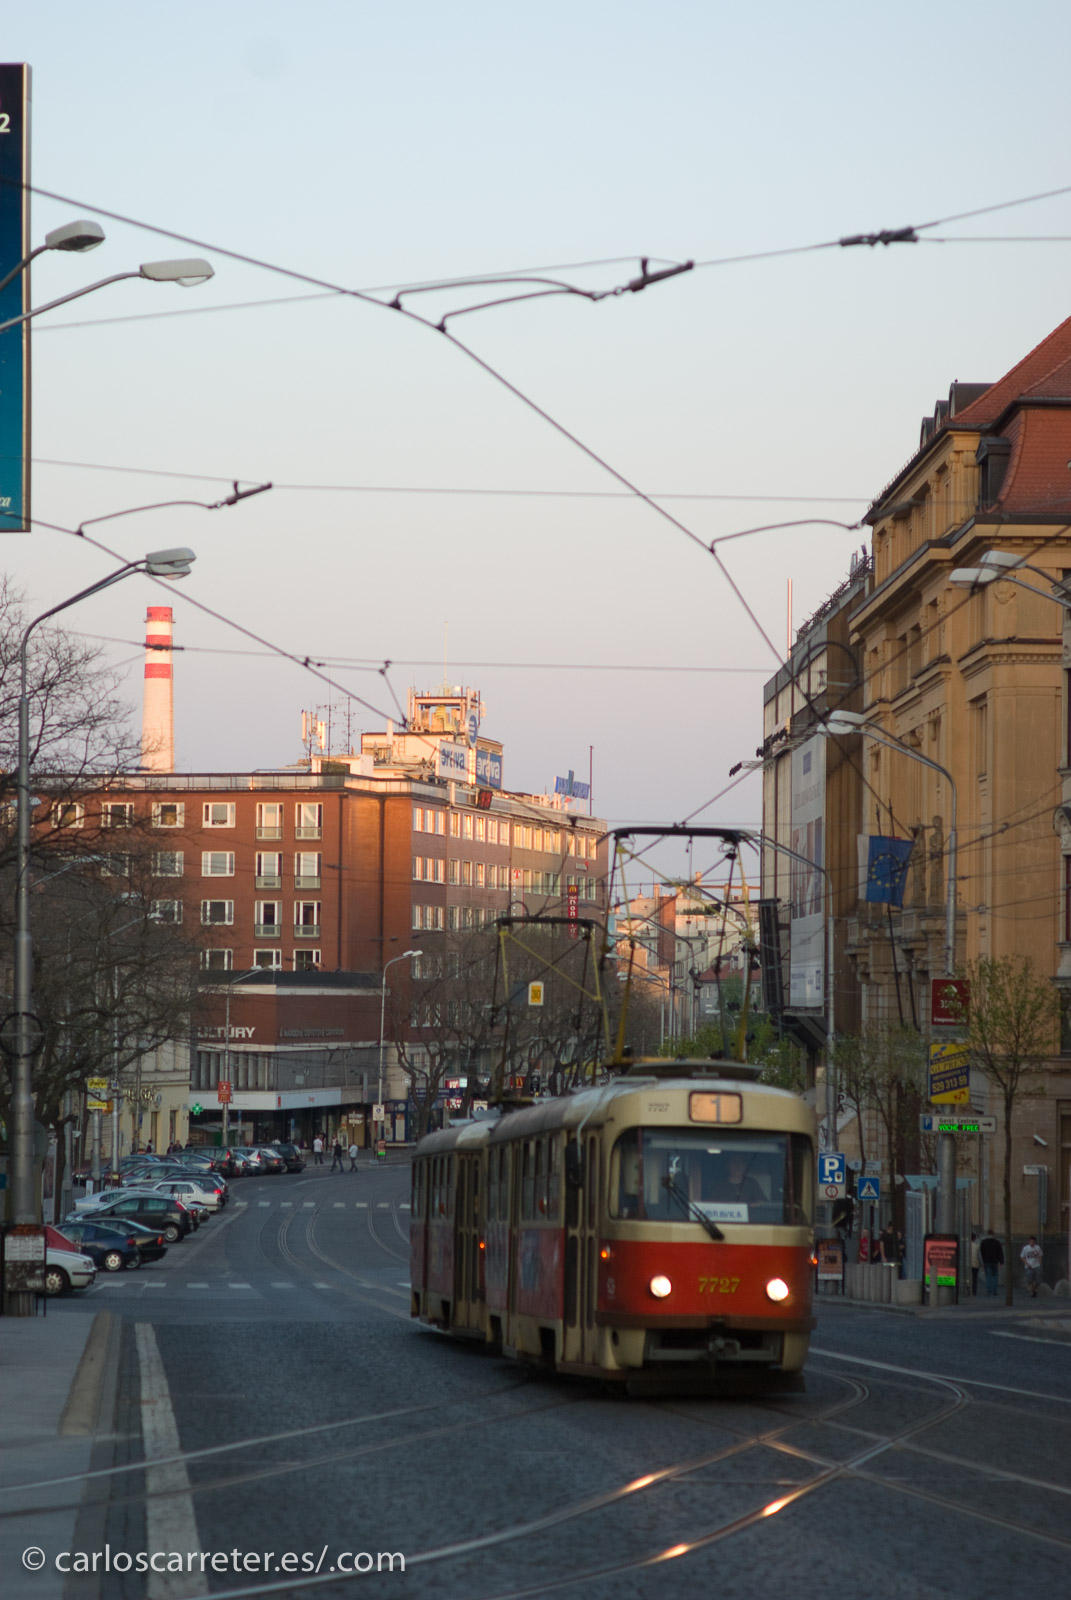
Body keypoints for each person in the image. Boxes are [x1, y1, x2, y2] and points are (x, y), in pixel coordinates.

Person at [979, 1229, 1003, 1296]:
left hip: (987, 1261)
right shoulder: (997, 1242)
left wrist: (982, 1262)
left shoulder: (984, 1242)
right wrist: (1001, 1262)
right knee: (995, 1276)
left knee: (988, 1276)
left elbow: (981, 1253)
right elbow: (1000, 1252)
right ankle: (995, 1290)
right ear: (993, 1234)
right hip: (995, 1261)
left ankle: (988, 1291)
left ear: (987, 1234)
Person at [970, 1232, 981, 1296]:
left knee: (969, 1277)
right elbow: (979, 1256)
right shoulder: (977, 1246)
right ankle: (974, 1291)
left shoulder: (967, 1245)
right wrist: (982, 1264)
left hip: (968, 1264)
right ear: (975, 1238)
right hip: (975, 1264)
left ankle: (968, 1289)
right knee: (975, 1278)